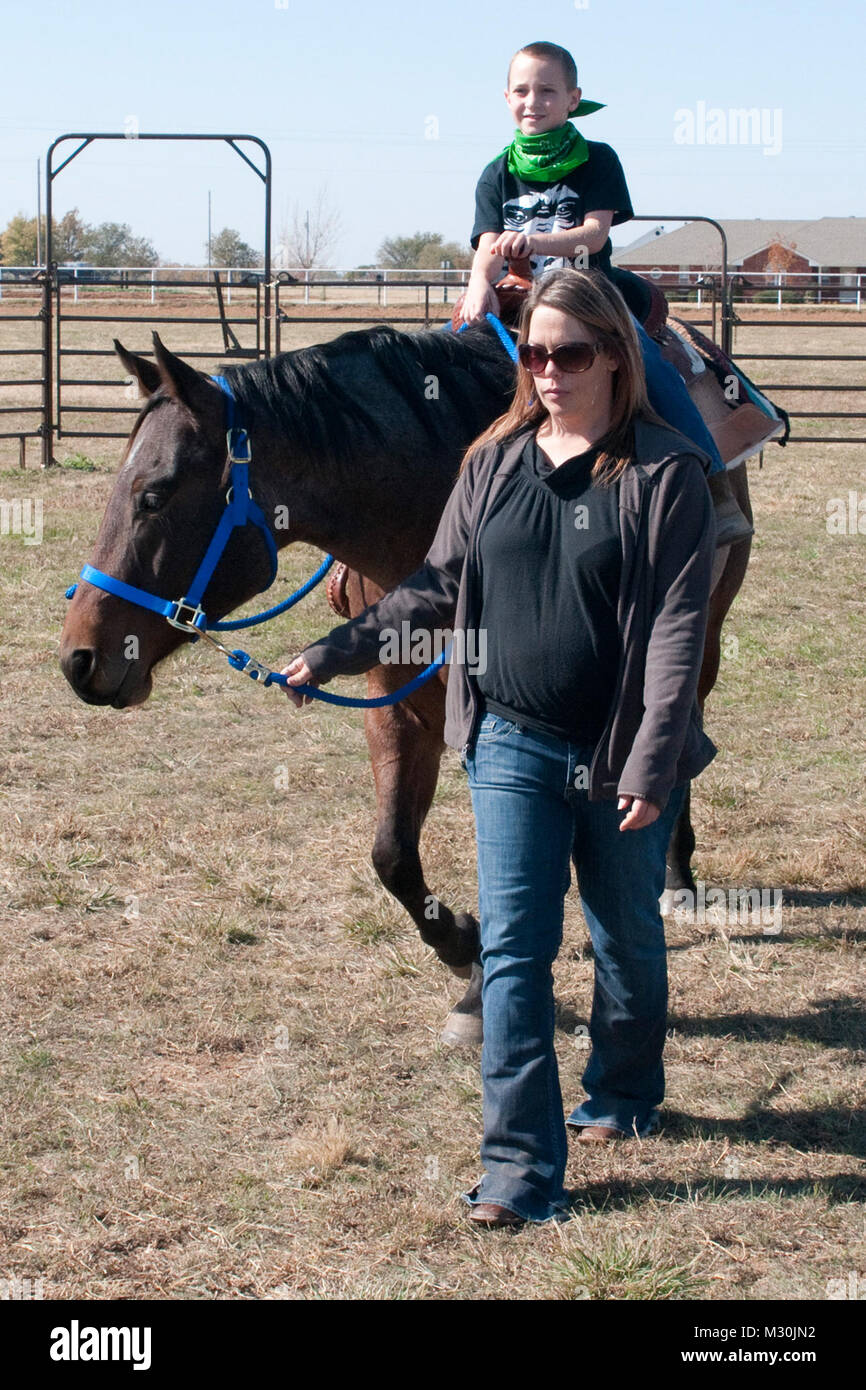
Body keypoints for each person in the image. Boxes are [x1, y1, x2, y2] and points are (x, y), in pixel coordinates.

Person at [280, 268, 718, 1227]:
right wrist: (339, 648)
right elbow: (435, 584)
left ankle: (625, 1091)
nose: (549, 371)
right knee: (516, 954)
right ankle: (520, 1170)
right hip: (511, 743)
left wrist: (652, 760)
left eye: (570, 353)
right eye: (534, 353)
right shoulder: (492, 462)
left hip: (620, 752)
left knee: (627, 935)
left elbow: (679, 632)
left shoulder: (666, 472)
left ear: (615, 356)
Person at [458, 39, 752, 547]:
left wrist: (533, 240)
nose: (534, 101)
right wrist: (478, 281)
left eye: (547, 91)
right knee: (438, 357)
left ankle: (714, 486)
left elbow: (593, 235)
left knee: (651, 365)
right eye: (523, 91)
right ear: (507, 98)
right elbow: (487, 245)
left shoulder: (597, 160)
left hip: (590, 294)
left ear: (573, 98)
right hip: (518, 298)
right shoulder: (496, 172)